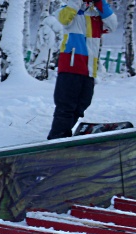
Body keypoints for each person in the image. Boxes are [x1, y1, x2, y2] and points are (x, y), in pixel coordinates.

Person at [47, 0, 117, 140]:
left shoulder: (96, 15)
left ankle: (63, 136)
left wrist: (100, 3)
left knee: (82, 105)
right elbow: (64, 19)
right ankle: (56, 137)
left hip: (89, 69)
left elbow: (113, 25)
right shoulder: (68, 10)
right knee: (66, 106)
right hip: (70, 66)